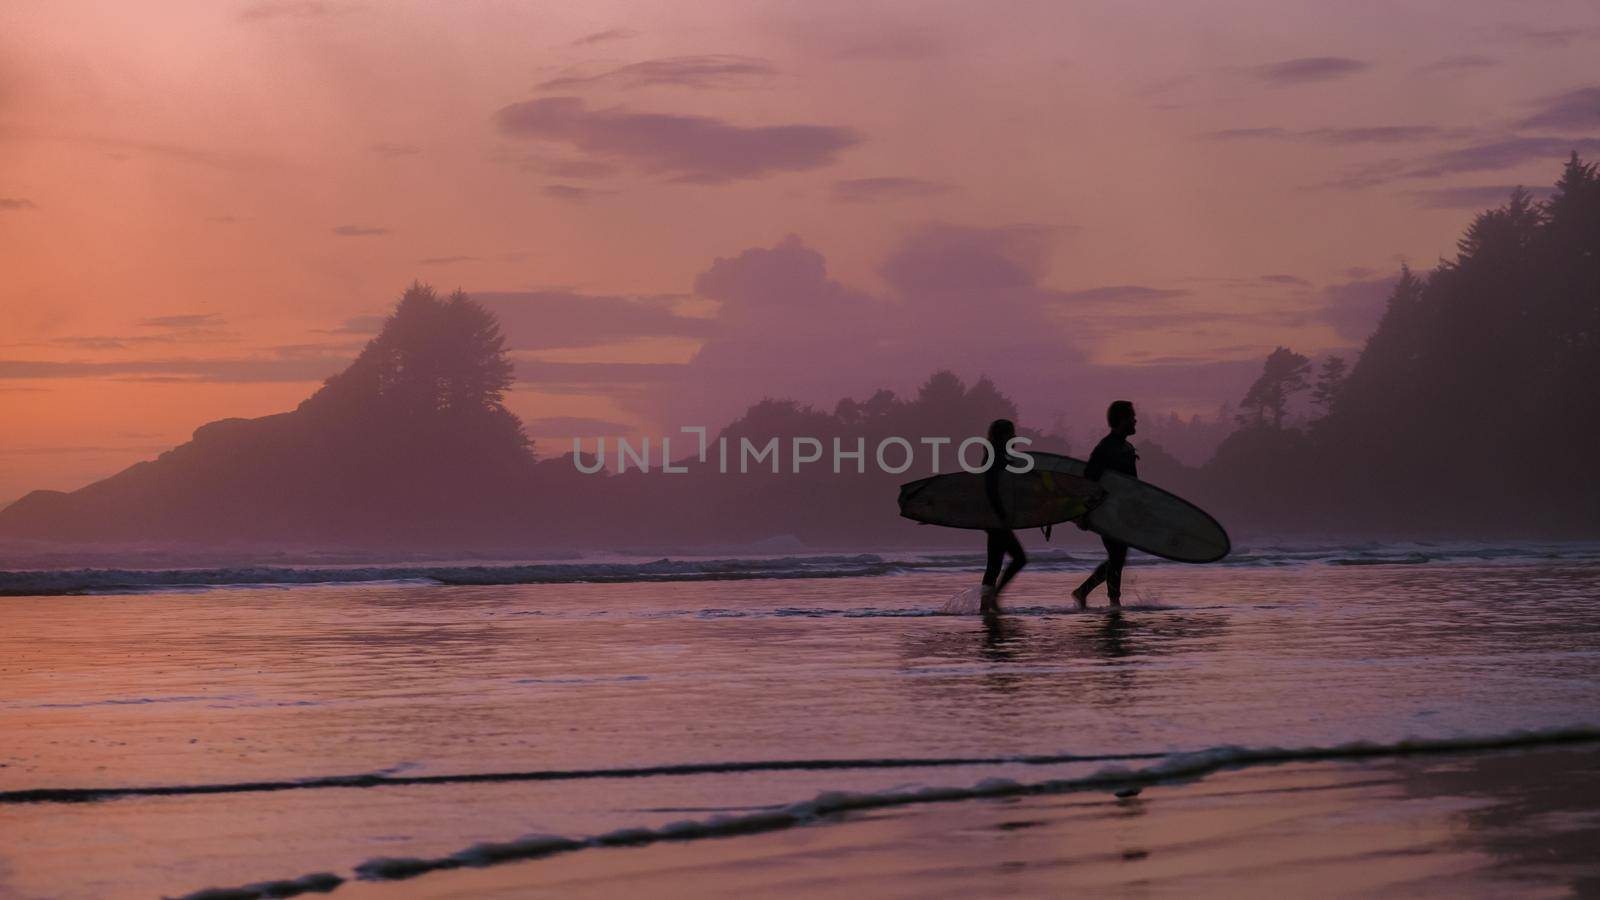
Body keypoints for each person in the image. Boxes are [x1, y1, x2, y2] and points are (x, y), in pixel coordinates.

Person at [1072, 401, 1139, 608]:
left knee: (1117, 556)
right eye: (1131, 417)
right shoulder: (1105, 447)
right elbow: (1089, 479)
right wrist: (1082, 512)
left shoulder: (1127, 448)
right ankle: (1114, 602)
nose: (1135, 420)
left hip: (1121, 512)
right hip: (1104, 510)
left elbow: (1133, 485)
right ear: (1121, 420)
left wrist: (1136, 510)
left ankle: (1083, 592)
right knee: (1117, 555)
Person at [980, 418, 1027, 615]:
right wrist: (1001, 516)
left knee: (994, 565)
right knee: (1019, 558)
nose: (1014, 436)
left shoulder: (1000, 457)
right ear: (1001, 436)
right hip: (996, 519)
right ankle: (993, 598)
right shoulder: (994, 458)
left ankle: (984, 608)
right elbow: (991, 489)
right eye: (1010, 433)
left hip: (993, 519)